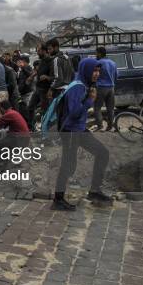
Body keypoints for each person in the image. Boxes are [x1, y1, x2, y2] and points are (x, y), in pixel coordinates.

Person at [53, 58, 112, 211]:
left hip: (79, 130)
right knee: (68, 166)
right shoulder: (77, 87)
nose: (97, 74)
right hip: (71, 131)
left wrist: (89, 99)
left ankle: (94, 191)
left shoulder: (85, 84)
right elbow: (73, 113)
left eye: (98, 71)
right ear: (86, 70)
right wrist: (89, 101)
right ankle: (58, 200)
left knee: (102, 153)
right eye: (94, 70)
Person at [27, 43, 52, 131]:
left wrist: (47, 77)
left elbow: (56, 77)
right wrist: (32, 76)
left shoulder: (51, 61)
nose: (37, 53)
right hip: (38, 89)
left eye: (39, 51)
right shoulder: (41, 61)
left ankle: (45, 133)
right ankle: (31, 128)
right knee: (30, 107)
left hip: (45, 90)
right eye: (37, 51)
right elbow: (38, 71)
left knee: (45, 112)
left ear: (44, 51)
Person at [94, 46, 118, 131]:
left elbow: (95, 76)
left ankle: (100, 126)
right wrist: (112, 84)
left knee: (97, 108)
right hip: (111, 88)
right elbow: (116, 76)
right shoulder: (113, 63)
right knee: (110, 109)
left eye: (96, 53)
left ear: (99, 53)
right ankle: (110, 126)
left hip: (101, 88)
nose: (95, 54)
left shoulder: (98, 63)